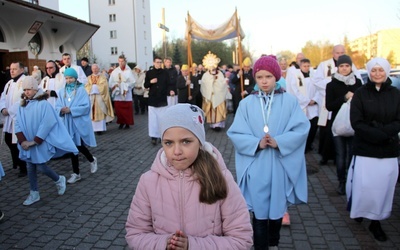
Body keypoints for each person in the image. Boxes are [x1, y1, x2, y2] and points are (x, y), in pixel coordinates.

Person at [125, 103, 253, 250]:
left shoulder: (221, 178)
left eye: (186, 141)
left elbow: (241, 239)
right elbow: (135, 234)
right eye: (168, 143)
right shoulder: (148, 182)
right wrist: (163, 244)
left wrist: (193, 245)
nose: (177, 151)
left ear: (199, 142)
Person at [227, 55, 309, 249]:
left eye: (269, 76)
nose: (264, 81)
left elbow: (300, 128)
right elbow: (237, 132)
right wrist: (256, 143)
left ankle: (274, 244)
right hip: (257, 165)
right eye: (260, 77)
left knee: (277, 211)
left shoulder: (289, 101)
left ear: (276, 77)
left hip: (279, 164)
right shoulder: (246, 104)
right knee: (259, 213)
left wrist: (279, 141)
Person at [347, 58, 400, 242]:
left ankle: (376, 221)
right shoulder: (361, 93)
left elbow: (398, 120)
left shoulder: (395, 94)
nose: (377, 73)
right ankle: (361, 211)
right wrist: (376, 134)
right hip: (366, 149)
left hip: (388, 150)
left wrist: (384, 133)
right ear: (369, 72)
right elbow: (356, 121)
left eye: (381, 70)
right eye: (374, 70)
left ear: (386, 71)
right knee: (366, 187)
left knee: (384, 187)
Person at [15, 76, 78, 205]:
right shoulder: (22, 105)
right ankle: (34, 192)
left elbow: (47, 123)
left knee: (41, 167)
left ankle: (59, 179)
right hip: (26, 142)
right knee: (30, 166)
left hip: (38, 142)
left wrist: (35, 141)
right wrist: (22, 141)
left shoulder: (43, 104)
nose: (27, 92)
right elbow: (18, 123)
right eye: (25, 89)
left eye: (30, 89)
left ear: (35, 89)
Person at [313, 44, 363, 165]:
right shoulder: (324, 65)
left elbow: (358, 82)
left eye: (342, 52)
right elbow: (316, 81)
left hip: (349, 108)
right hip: (330, 101)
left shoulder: (351, 65)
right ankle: (326, 156)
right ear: (333, 53)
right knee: (328, 132)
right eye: (337, 52)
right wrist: (333, 85)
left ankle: (341, 160)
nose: (340, 55)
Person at [326, 55, 362, 195]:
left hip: (355, 124)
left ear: (351, 67)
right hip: (338, 125)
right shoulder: (332, 85)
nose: (344, 68)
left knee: (353, 155)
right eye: (342, 66)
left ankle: (352, 181)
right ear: (338, 68)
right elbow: (329, 106)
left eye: (347, 66)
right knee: (340, 156)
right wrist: (344, 98)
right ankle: (342, 182)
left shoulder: (358, 83)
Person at [55, 68, 98, 184]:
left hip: (77, 122)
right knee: (72, 147)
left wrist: (71, 110)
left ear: (75, 78)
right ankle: (77, 172)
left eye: (71, 78)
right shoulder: (61, 91)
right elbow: (57, 105)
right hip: (67, 123)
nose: (69, 80)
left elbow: (85, 107)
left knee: (77, 146)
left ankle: (90, 161)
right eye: (67, 78)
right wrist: (61, 109)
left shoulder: (81, 90)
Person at [286, 58, 320, 153]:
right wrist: (306, 101)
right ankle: (302, 146)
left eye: (308, 66)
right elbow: (295, 90)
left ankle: (309, 144)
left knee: (313, 126)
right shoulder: (296, 76)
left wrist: (314, 99)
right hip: (303, 106)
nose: (306, 68)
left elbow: (318, 88)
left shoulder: (313, 75)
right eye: (304, 66)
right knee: (303, 128)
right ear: (300, 66)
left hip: (313, 106)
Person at [0, 62, 27, 177]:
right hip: (9, 118)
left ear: (21, 69)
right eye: (11, 69)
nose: (11, 71)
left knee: (19, 142)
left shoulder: (25, 81)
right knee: (8, 140)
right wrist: (3, 108)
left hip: (19, 117)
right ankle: (16, 161)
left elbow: (24, 98)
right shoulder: (9, 83)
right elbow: (3, 97)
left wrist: (10, 110)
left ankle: (24, 167)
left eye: (14, 69)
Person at [200, 52, 229, 131]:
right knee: (211, 109)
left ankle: (219, 124)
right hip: (210, 96)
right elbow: (204, 84)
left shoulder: (220, 74)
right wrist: (210, 81)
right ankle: (213, 124)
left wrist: (216, 82)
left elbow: (223, 83)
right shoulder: (205, 75)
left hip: (218, 95)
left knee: (219, 109)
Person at [144, 56, 169, 145]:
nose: (158, 64)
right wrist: (151, 82)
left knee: (162, 119)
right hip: (153, 99)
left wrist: (170, 91)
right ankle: (153, 137)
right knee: (153, 120)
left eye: (160, 62)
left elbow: (168, 84)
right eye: (157, 62)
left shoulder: (165, 73)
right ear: (154, 63)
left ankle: (163, 136)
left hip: (162, 99)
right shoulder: (149, 73)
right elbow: (145, 85)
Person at [85, 64, 114, 135]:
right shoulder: (88, 77)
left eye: (96, 68)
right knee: (92, 112)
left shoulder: (102, 77)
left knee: (101, 111)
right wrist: (93, 88)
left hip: (100, 97)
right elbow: (86, 86)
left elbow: (104, 86)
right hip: (91, 98)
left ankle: (100, 129)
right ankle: (93, 128)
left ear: (98, 69)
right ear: (91, 69)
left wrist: (94, 87)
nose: (95, 70)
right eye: (93, 69)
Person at [109, 54, 135, 129]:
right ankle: (121, 122)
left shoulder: (129, 71)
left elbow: (133, 82)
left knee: (127, 108)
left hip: (126, 92)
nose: (121, 63)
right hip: (118, 93)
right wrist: (116, 85)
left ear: (125, 61)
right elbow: (111, 82)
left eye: (122, 61)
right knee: (119, 109)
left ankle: (127, 123)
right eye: (119, 61)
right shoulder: (115, 71)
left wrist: (125, 85)